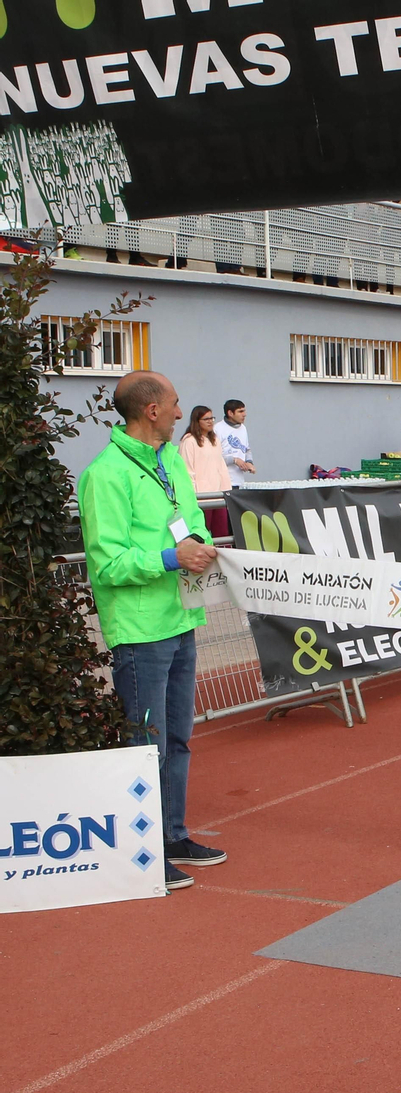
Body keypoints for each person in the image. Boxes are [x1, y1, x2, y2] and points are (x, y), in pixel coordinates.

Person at [79, 371, 228, 893]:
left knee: (179, 739)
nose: (178, 409)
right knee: (147, 744)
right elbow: (108, 563)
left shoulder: (168, 459)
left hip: (181, 617)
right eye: (173, 403)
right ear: (151, 411)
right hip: (140, 631)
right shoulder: (105, 474)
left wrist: (201, 545)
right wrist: (171, 557)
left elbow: (189, 519)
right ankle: (145, 852)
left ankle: (173, 834)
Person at [176, 405, 232, 539]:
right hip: (201, 497)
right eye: (206, 419)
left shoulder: (215, 441)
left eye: (212, 418)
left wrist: (226, 491)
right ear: (197, 421)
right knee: (203, 532)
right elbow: (187, 470)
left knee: (222, 532)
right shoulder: (189, 441)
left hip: (218, 495)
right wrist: (193, 496)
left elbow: (221, 467)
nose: (210, 421)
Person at [218, 399, 255, 480]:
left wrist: (249, 462)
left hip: (239, 480)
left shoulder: (243, 428)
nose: (244, 414)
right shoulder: (217, 429)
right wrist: (234, 460)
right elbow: (214, 458)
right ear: (230, 413)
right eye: (240, 411)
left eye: (244, 411)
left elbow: (247, 449)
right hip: (223, 481)